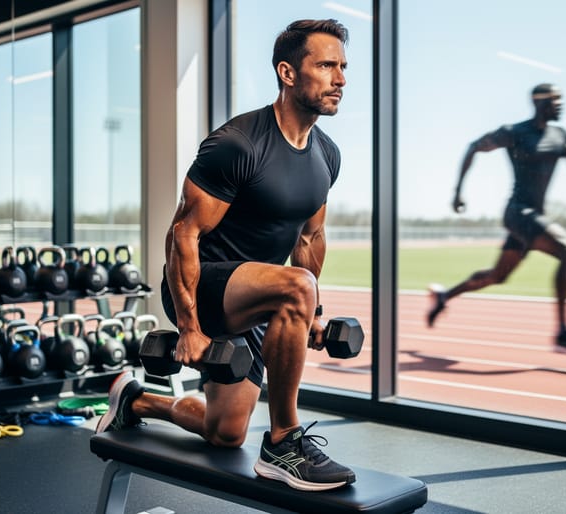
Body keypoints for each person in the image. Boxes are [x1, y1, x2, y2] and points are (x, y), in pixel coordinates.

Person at [96, 19, 356, 491]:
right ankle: (284, 443)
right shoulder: (237, 144)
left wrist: (313, 313)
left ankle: (135, 400)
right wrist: (190, 329)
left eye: (342, 67)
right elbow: (183, 235)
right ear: (288, 72)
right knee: (295, 285)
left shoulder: (327, 155)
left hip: (260, 297)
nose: (340, 79)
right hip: (204, 286)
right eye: (325, 65)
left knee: (225, 434)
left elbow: (309, 240)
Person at [427, 83, 566, 355]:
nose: (561, 105)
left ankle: (444, 296)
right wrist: (458, 191)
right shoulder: (515, 133)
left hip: (534, 217)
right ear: (539, 103)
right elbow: (473, 147)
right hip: (518, 213)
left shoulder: (560, 134)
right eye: (556, 100)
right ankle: (563, 333)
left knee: (497, 276)